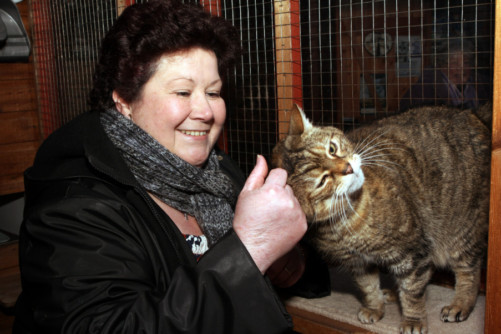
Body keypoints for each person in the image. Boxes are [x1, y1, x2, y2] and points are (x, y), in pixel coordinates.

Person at [13, 1, 329, 333]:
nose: (206, 111)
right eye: (182, 91)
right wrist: (250, 250)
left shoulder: (217, 173)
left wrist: (294, 262)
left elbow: (298, 277)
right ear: (124, 100)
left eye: (213, 92)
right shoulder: (73, 206)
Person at [399, 38, 491, 112]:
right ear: (442, 65)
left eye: (466, 62)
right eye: (455, 63)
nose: (462, 68)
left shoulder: (483, 85)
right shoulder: (422, 91)